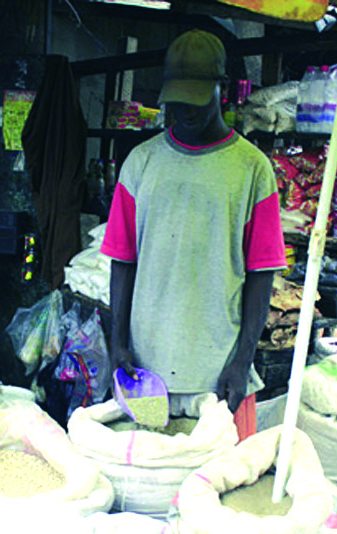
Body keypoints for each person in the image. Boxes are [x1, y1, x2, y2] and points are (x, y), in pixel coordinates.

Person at [100, 30, 285, 440]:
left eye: (196, 98)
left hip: (219, 374)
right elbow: (122, 262)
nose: (184, 110)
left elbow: (261, 274)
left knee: (221, 487)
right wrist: (118, 343)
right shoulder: (140, 163)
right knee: (150, 486)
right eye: (177, 99)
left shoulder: (252, 169)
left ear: (222, 89)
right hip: (144, 374)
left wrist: (242, 360)